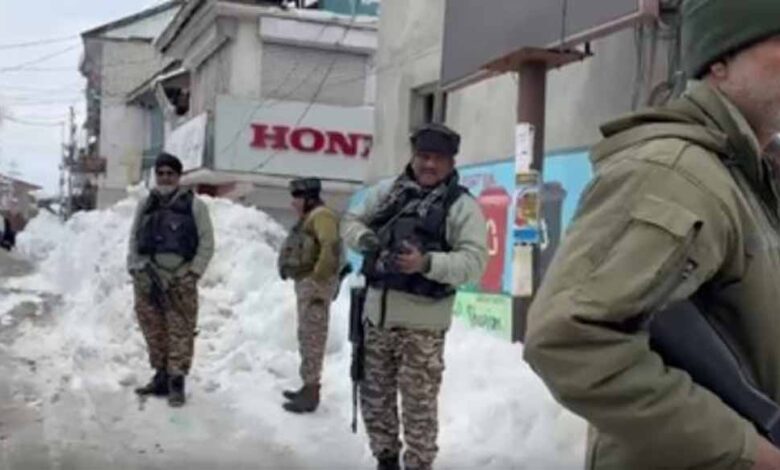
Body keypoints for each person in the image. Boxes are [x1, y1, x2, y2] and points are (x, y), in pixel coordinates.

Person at [523, 1, 780, 468]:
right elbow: (569, 339)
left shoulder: (748, 178)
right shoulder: (673, 173)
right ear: (718, 61)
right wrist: (748, 451)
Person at [342, 123, 488, 470]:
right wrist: (366, 240)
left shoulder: (461, 206)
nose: (429, 164)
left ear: (451, 162)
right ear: (413, 157)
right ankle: (385, 460)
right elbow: (350, 221)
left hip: (422, 329)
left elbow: (474, 263)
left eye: (438, 158)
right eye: (423, 156)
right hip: (376, 319)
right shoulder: (389, 193)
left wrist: (426, 263)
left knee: (418, 411)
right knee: (375, 402)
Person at [127, 152, 214, 408]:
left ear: (179, 176)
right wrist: (135, 268)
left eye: (170, 174)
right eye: (161, 173)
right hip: (149, 277)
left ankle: (177, 382)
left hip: (180, 278)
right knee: (153, 329)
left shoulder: (195, 206)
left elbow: (207, 242)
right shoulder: (146, 204)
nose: (165, 178)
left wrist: (193, 273)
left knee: (180, 332)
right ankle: (161, 376)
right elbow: (134, 237)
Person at [277, 177, 342, 414]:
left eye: (297, 198)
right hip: (308, 284)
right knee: (306, 336)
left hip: (315, 287)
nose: (293, 203)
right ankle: (307, 386)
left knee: (313, 337)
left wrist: (317, 278)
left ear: (309, 198)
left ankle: (311, 392)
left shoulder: (321, 216)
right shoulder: (311, 217)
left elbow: (330, 245)